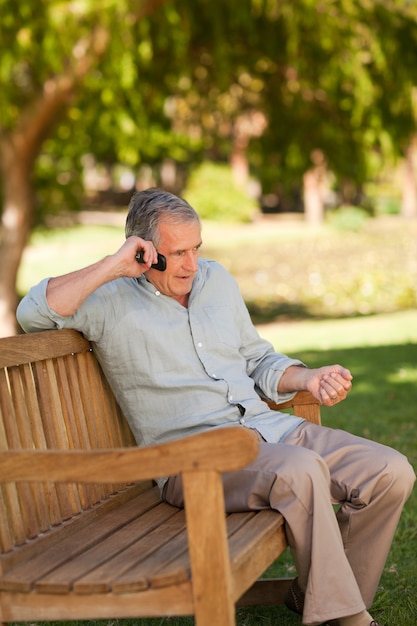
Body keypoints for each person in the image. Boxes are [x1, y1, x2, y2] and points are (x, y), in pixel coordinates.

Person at [17, 188, 415, 626]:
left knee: (390, 472)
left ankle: (318, 596)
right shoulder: (109, 301)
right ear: (146, 252)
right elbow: (32, 313)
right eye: (179, 252)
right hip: (195, 459)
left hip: (269, 431)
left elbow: (256, 359)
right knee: (301, 471)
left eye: (197, 248)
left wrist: (308, 378)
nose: (192, 263)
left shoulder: (215, 280)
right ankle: (347, 620)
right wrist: (114, 265)